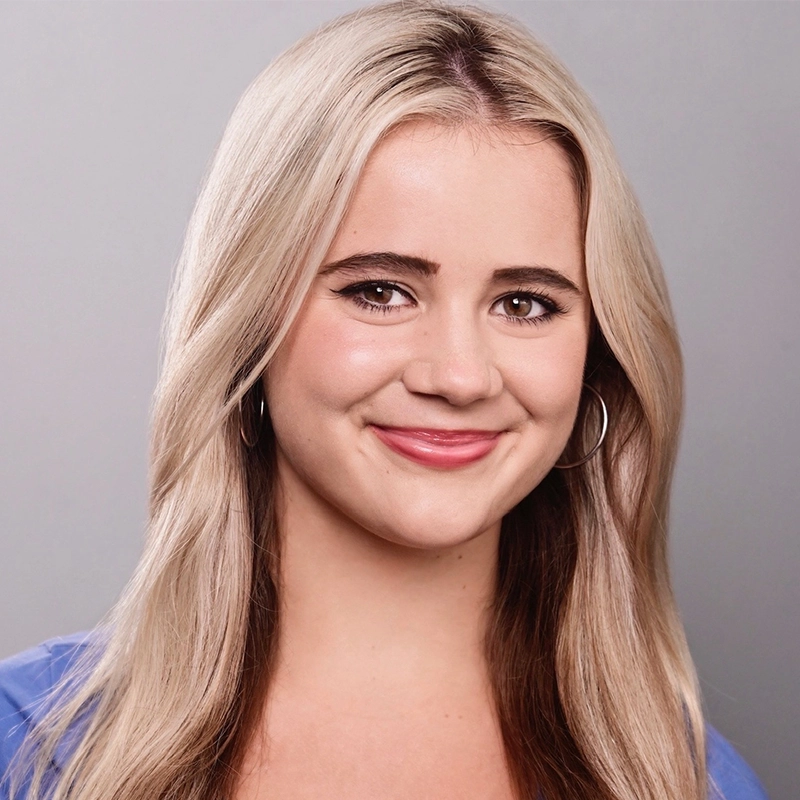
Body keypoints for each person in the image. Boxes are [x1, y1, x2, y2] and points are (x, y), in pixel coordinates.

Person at [0, 2, 770, 799]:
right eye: (381, 291)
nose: (461, 376)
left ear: (597, 358)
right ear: (251, 317)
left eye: (525, 304)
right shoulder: (23, 745)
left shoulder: (689, 782)